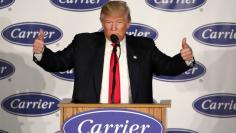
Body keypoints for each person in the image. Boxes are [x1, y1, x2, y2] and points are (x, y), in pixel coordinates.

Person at [33, 1, 194, 103]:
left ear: (128, 23)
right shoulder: (83, 43)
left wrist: (184, 59)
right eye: (109, 22)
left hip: (134, 119)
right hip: (90, 118)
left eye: (119, 22)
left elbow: (167, 67)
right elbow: (58, 62)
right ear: (102, 23)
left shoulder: (144, 46)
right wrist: (42, 53)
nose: (114, 27)